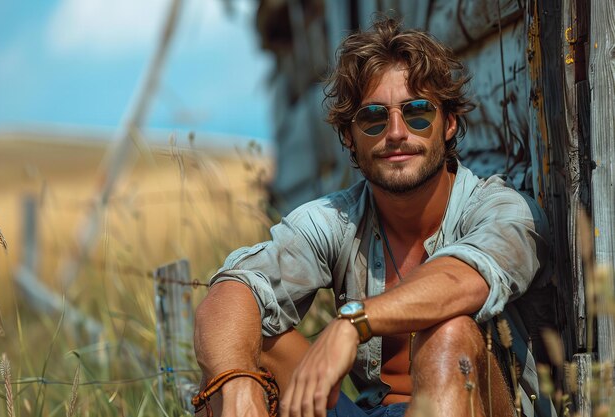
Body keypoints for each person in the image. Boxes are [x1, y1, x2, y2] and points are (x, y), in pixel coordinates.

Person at [194, 17, 555, 417]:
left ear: (448, 123)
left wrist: (355, 322)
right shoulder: (336, 220)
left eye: (417, 113)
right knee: (241, 356)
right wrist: (237, 382)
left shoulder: (503, 210)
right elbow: (236, 288)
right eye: (373, 118)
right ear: (349, 135)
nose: (397, 132)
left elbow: (465, 277)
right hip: (368, 411)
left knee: (449, 335)